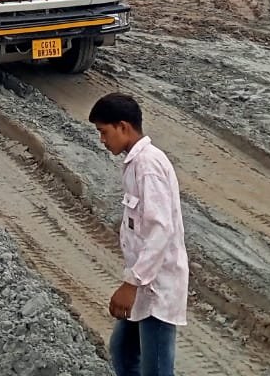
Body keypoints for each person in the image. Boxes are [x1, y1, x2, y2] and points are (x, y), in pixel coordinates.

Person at [89, 93, 188, 376]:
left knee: (156, 369)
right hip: (143, 281)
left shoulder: (148, 167)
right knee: (123, 353)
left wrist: (132, 284)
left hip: (156, 286)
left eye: (103, 132)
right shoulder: (136, 163)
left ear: (123, 127)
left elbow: (160, 230)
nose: (102, 140)